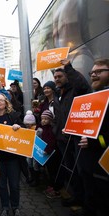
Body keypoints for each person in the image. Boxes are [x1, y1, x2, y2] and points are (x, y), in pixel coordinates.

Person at [52, 59, 91, 210]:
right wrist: (56, 129)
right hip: (62, 139)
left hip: (75, 139)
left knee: (81, 170)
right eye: (55, 77)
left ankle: (85, 201)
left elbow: (82, 85)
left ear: (67, 76)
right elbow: (57, 116)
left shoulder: (75, 90)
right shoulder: (58, 94)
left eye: (60, 76)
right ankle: (77, 197)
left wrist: (68, 67)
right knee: (71, 170)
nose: (57, 79)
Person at [77, 59, 109, 216]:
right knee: (90, 190)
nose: (94, 75)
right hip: (89, 160)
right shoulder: (93, 96)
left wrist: (94, 141)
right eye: (92, 73)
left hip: (104, 163)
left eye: (99, 72)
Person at [0, 94, 24, 216]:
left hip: (12, 158)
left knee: (14, 185)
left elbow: (24, 131)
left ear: (6, 103)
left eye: (1, 100)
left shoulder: (13, 117)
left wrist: (18, 127)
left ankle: (15, 206)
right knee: (2, 184)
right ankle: (5, 206)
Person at [37, 110, 62, 199]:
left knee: (53, 171)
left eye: (46, 119)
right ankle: (51, 186)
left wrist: (47, 150)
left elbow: (51, 142)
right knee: (48, 171)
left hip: (51, 154)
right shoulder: (40, 128)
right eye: (42, 119)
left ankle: (55, 188)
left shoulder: (51, 129)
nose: (43, 120)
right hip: (45, 154)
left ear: (50, 120)